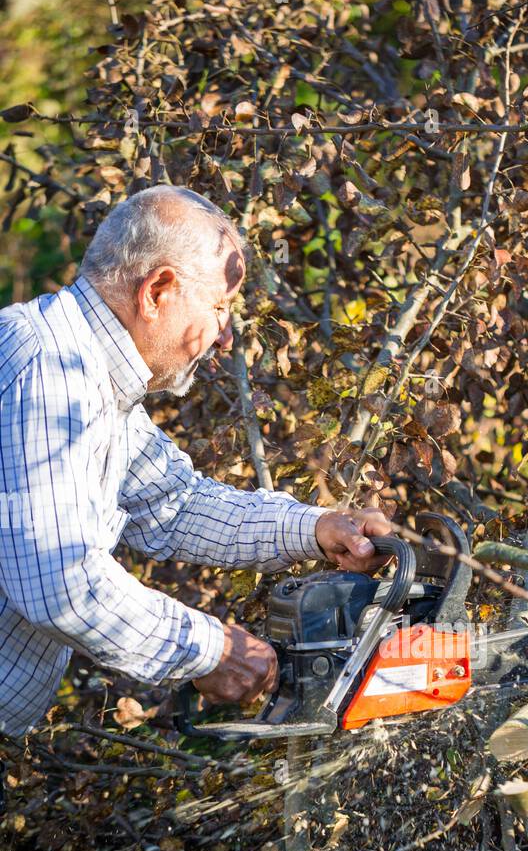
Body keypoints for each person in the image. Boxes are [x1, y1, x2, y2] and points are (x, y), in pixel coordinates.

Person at [0, 185, 390, 743]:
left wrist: (316, 528)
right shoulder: (51, 377)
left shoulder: (88, 375)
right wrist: (213, 651)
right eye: (218, 307)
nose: (224, 334)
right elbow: (60, 584)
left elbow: (176, 505)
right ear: (158, 290)